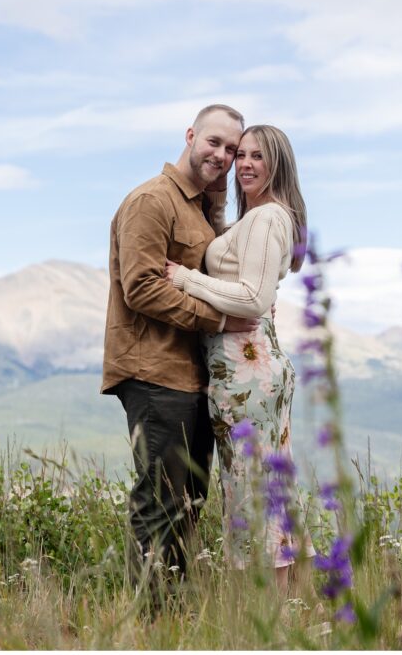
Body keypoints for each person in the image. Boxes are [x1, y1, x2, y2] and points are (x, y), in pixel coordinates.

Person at [101, 104, 259, 609]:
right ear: (190, 135)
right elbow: (142, 288)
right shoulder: (152, 200)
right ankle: (150, 623)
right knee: (161, 502)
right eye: (214, 142)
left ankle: (175, 616)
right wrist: (218, 320)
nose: (223, 155)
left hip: (191, 377)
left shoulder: (198, 209)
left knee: (188, 504)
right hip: (152, 372)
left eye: (232, 150)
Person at [165, 124, 314, 592]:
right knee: (274, 487)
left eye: (258, 156)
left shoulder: (268, 218)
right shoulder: (261, 217)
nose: (245, 163)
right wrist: (214, 192)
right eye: (241, 155)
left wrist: (187, 279)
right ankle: (301, 606)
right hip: (257, 368)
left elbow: (252, 297)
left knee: (250, 490)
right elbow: (235, 254)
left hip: (245, 373)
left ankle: (269, 612)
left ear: (278, 165)